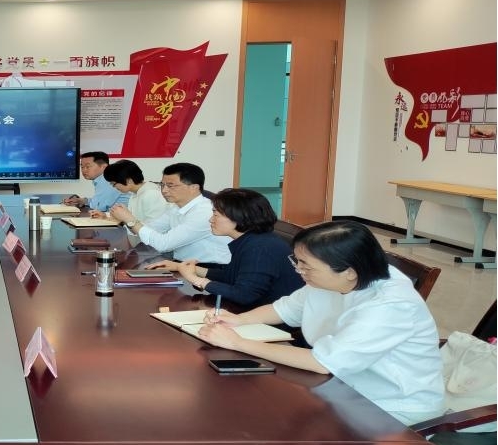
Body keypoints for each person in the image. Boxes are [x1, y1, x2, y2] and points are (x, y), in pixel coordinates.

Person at [198, 220, 444, 425]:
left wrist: (238, 343)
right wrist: (239, 320)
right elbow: (285, 308)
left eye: (306, 266)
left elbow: (322, 362)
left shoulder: (390, 305)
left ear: (349, 271)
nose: (299, 271)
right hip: (339, 387)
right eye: (297, 262)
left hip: (389, 407)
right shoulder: (332, 279)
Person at [147, 188, 303, 309]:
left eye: (216, 215)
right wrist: (182, 267)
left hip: (273, 324)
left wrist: (196, 279)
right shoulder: (252, 240)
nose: (210, 219)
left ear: (239, 217)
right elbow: (232, 276)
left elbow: (244, 295)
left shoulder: (260, 248)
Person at [123, 162, 231, 263]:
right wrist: (126, 222)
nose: (164, 190)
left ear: (194, 187)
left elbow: (163, 244)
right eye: (162, 185)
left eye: (170, 186)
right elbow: (151, 227)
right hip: (184, 264)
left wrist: (130, 220)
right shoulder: (175, 207)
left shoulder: (204, 212)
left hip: (210, 268)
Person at [88, 160, 168, 224]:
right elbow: (130, 217)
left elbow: (153, 228)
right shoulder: (135, 193)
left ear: (129, 181)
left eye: (114, 184)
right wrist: (105, 216)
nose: (113, 187)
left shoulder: (151, 194)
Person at [62, 151, 130, 211]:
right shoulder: (102, 179)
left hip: (122, 220)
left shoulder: (108, 180)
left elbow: (98, 206)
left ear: (104, 167)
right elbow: (98, 201)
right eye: (82, 167)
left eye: (88, 166)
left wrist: (84, 201)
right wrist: (83, 201)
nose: (84, 170)